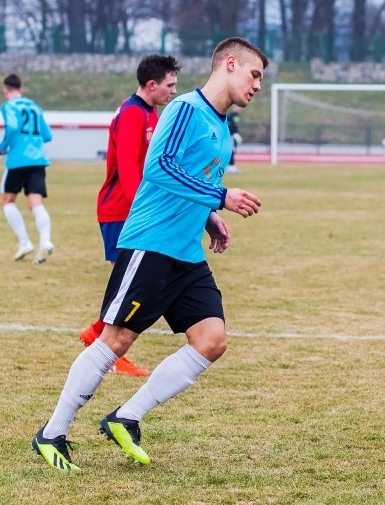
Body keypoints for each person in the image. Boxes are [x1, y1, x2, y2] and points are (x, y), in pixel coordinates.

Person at [32, 37, 268, 473]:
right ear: (230, 64)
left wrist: (208, 217)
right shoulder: (186, 110)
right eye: (254, 75)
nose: (257, 86)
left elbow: (188, 179)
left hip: (186, 253)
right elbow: (159, 168)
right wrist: (220, 196)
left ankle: (126, 417)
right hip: (152, 243)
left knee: (211, 341)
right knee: (116, 340)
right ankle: (52, 432)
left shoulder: (219, 127)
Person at [78, 54, 182, 377]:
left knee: (137, 284)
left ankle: (96, 333)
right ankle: (108, 351)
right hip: (120, 210)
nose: (173, 91)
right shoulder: (132, 113)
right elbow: (126, 169)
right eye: (169, 85)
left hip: (134, 209)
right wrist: (146, 210)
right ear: (151, 85)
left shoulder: (150, 111)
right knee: (125, 287)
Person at [0, 74, 55, 264]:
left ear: (5, 90)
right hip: (38, 159)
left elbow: (12, 127)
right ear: (21, 89)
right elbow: (47, 135)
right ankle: (45, 241)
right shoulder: (35, 106)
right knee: (36, 203)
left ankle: (24, 243)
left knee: (7, 201)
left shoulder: (8, 106)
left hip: (18, 159)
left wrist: (3, 146)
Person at [226, 105, 242, 174]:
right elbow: (229, 125)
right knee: (231, 150)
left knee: (233, 150)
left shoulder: (236, 116)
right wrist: (233, 134)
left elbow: (236, 125)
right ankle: (231, 166)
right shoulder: (230, 116)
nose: (239, 109)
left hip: (234, 135)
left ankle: (231, 165)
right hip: (230, 136)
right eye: (238, 107)